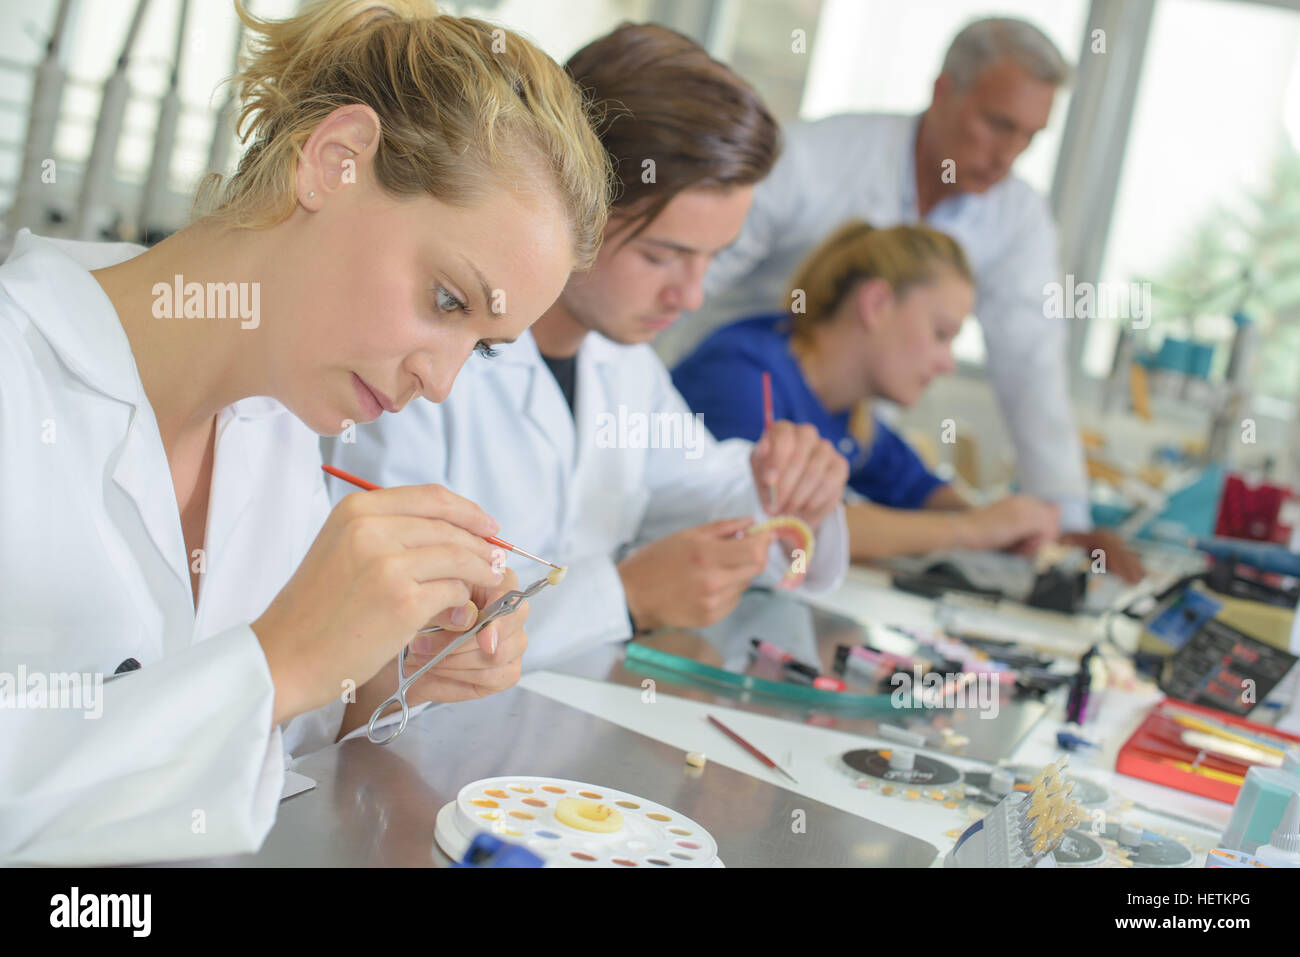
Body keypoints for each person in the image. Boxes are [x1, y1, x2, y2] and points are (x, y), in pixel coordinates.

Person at [0, 0, 611, 865]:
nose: (438, 382)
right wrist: (279, 660)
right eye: (445, 299)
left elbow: (252, 751)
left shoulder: (276, 431)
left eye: (480, 344)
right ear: (335, 163)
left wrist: (370, 681)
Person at [328, 23, 850, 670]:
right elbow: (381, 646)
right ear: (575, 202)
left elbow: (716, 495)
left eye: (712, 259)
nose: (690, 296)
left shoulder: (623, 366)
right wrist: (624, 595)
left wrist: (795, 494)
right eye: (664, 256)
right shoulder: (416, 365)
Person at [655, 16, 1143, 582]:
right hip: (719, 384)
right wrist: (612, 386)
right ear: (943, 92)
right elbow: (682, 280)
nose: (1010, 154)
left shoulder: (852, 420)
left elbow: (1032, 366)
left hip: (822, 387)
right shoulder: (815, 162)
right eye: (996, 124)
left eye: (1029, 137)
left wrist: (1053, 527)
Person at [674, 220, 1061, 561]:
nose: (948, 363)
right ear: (876, 304)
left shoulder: (848, 412)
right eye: (940, 334)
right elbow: (784, 523)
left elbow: (915, 488)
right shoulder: (740, 375)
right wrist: (973, 530)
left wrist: (1005, 525)